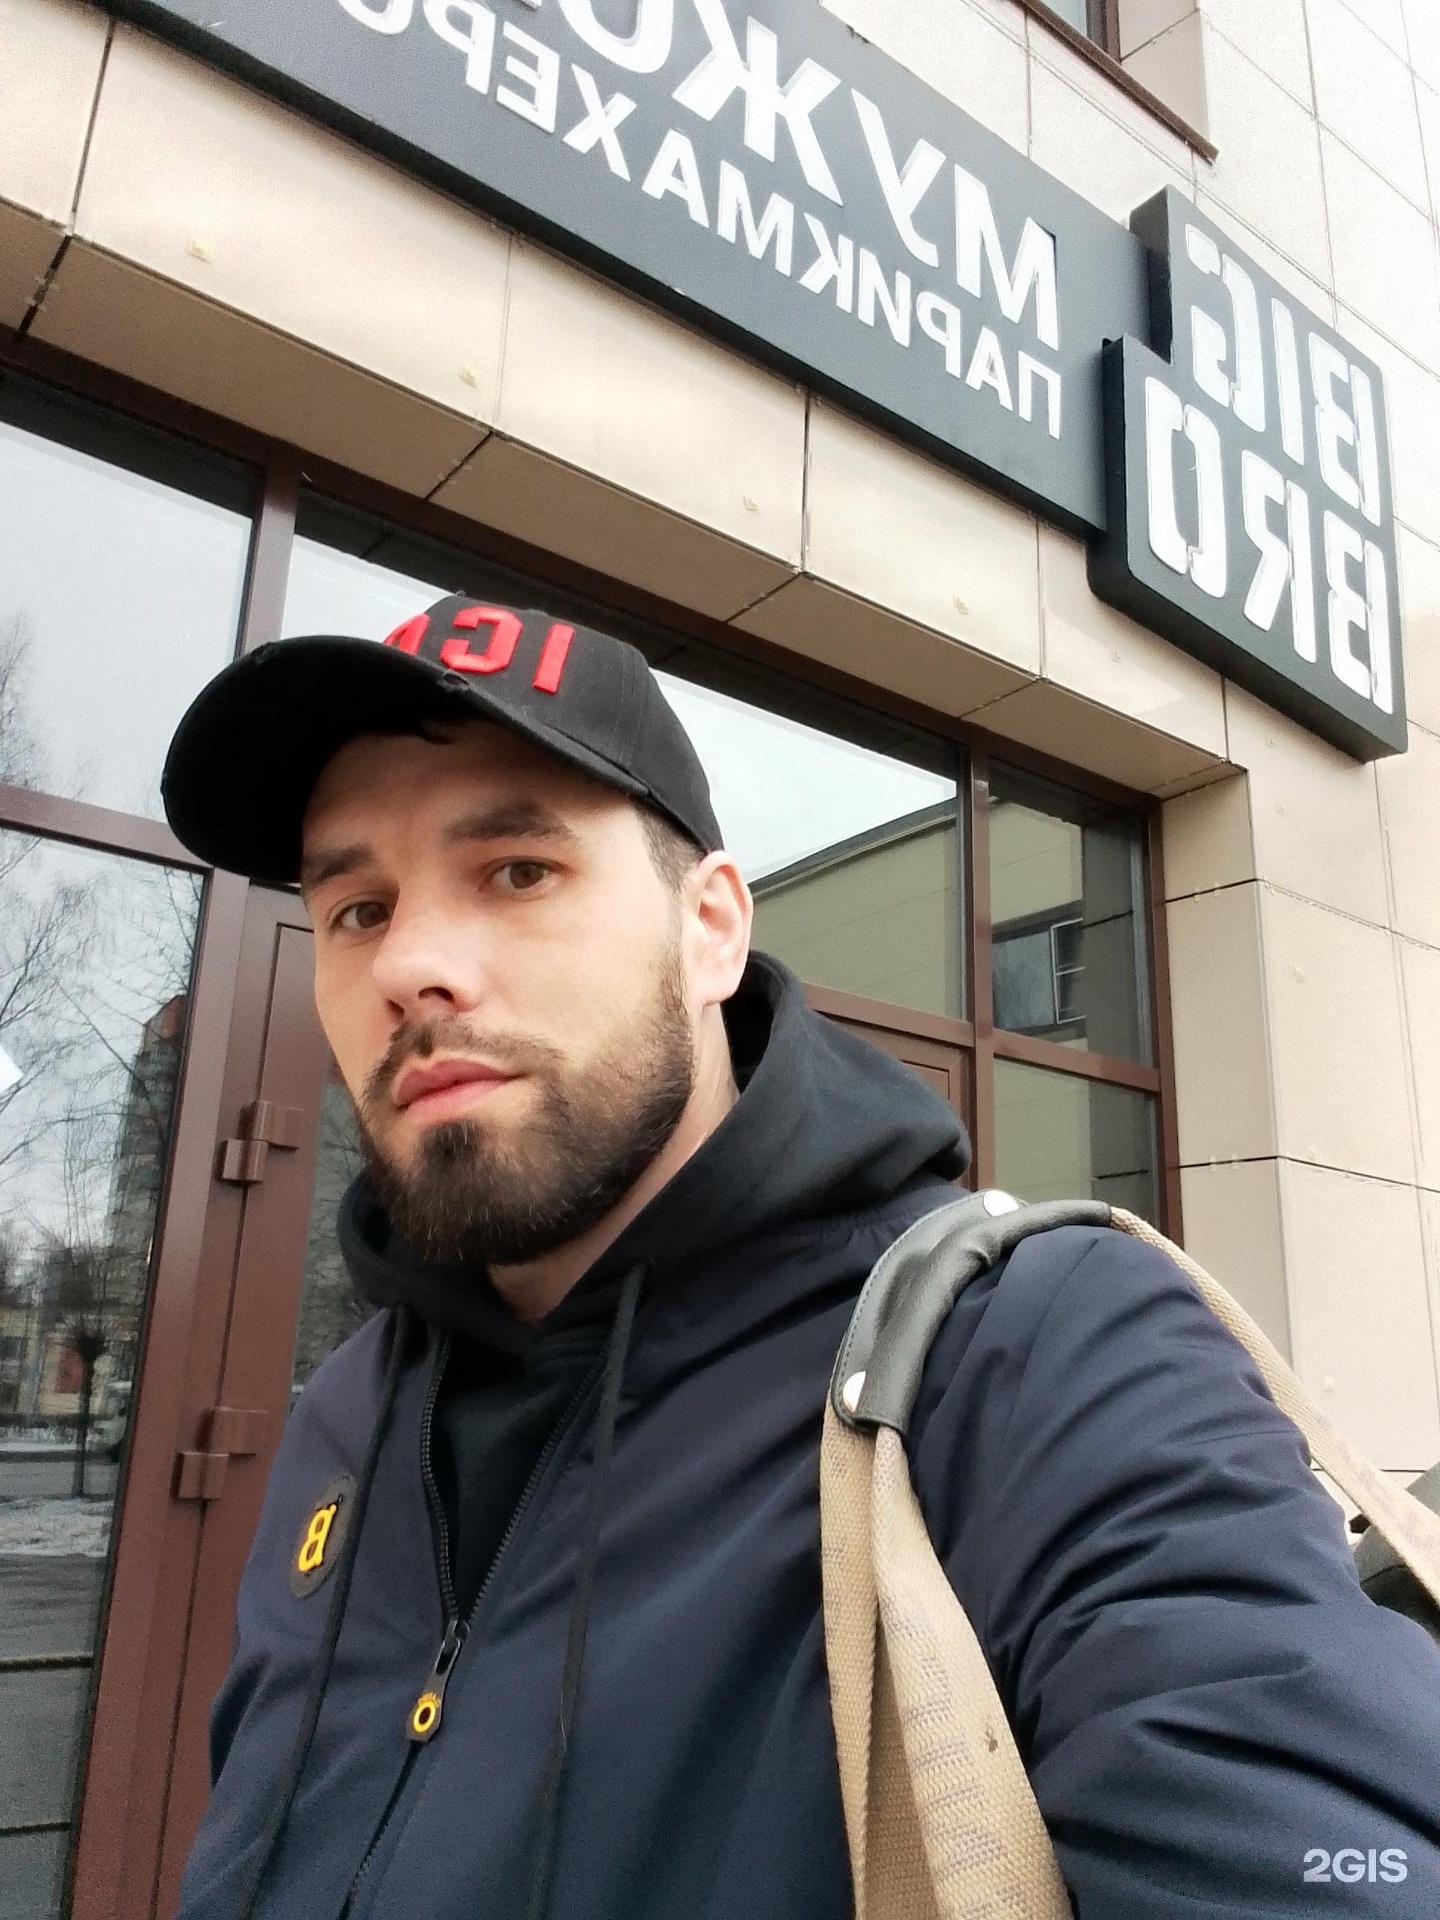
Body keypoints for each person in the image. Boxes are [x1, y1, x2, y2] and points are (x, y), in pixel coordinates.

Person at [162, 595, 1440, 1920]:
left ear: (712, 929)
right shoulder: (350, 1415)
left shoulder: (1033, 1358)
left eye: (518, 872)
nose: (411, 963)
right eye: (358, 907)